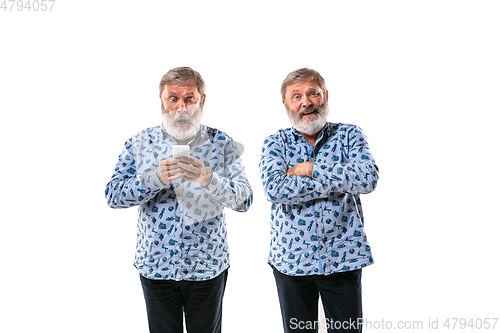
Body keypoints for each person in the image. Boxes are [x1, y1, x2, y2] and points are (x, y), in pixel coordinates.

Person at [105, 67, 253, 333]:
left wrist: (209, 178)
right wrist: (155, 179)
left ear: (202, 101)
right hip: (156, 268)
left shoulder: (222, 143)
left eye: (189, 99)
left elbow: (245, 200)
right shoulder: (139, 144)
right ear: (161, 101)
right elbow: (113, 195)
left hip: (207, 267)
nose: (181, 108)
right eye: (173, 99)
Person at [259, 68, 379, 333]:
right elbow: (274, 188)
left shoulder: (350, 135)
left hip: (343, 258)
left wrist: (310, 169)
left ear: (325, 96)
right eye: (297, 96)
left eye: (313, 93)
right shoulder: (275, 143)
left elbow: (368, 178)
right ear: (286, 104)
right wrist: (339, 180)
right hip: (291, 261)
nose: (306, 102)